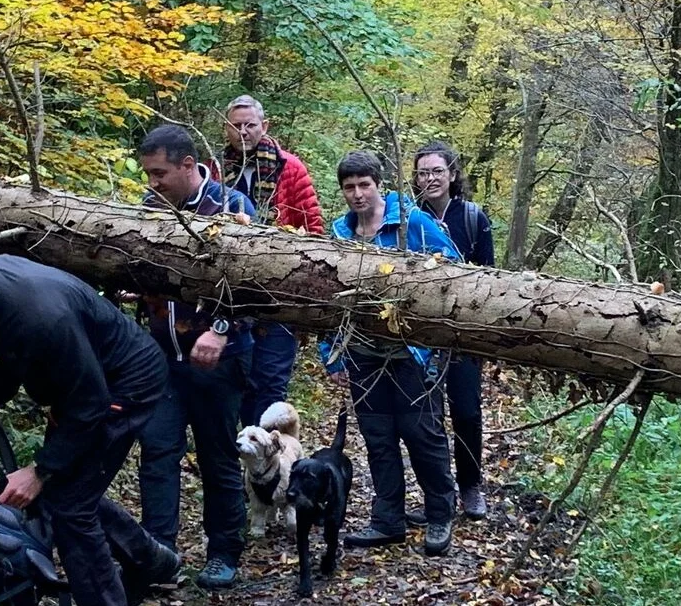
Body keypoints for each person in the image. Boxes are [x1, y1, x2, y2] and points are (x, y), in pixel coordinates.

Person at [0, 233, 180, 606]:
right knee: (67, 491)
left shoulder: (40, 314)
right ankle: (152, 561)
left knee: (70, 507)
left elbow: (90, 404)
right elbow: (15, 348)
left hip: (123, 386)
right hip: (82, 386)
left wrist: (40, 470)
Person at [318, 150, 459, 557]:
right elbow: (329, 298)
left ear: (379, 185)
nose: (358, 194)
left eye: (365, 185)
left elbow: (452, 271)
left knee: (422, 434)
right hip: (364, 355)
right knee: (378, 438)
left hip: (411, 354)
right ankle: (387, 520)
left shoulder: (411, 221)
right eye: (349, 187)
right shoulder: (340, 233)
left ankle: (439, 514)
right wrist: (333, 353)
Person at [134, 124, 255, 590]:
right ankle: (158, 556)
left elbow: (257, 283)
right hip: (161, 359)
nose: (153, 183)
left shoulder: (231, 207)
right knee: (158, 451)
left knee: (217, 455)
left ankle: (224, 551)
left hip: (218, 360)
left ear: (189, 166)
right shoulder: (150, 209)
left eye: (160, 173)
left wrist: (221, 329)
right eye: (148, 174)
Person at [211, 94, 323, 426]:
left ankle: (274, 458)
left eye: (250, 125)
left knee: (271, 383)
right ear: (225, 128)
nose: (243, 132)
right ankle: (243, 454)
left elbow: (313, 229)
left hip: (279, 295)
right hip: (231, 296)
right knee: (239, 381)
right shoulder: (215, 170)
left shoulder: (289, 167)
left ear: (265, 126)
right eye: (236, 125)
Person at [411, 140, 496, 522]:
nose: (430, 178)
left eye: (437, 171)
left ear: (452, 174)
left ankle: (471, 484)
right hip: (422, 335)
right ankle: (436, 490)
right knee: (426, 416)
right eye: (423, 172)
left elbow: (491, 278)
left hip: (463, 334)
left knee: (466, 412)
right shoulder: (409, 217)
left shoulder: (474, 218)